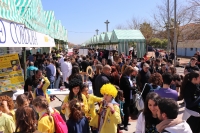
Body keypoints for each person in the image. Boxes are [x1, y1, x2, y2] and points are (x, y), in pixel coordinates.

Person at [120, 66, 137, 131]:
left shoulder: (127, 77)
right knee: (126, 111)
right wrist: (134, 87)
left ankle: (125, 122)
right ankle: (125, 124)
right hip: (125, 96)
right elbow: (127, 87)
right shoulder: (124, 78)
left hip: (128, 96)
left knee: (127, 109)